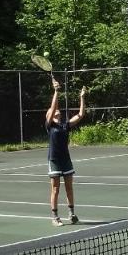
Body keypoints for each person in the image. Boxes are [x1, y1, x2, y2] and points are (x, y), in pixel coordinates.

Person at [45, 80, 86, 226]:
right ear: (49, 115)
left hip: (66, 160)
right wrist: (56, 91)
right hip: (54, 160)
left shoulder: (65, 125)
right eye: (53, 110)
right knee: (55, 189)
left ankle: (72, 213)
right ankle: (55, 217)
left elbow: (81, 115)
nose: (57, 110)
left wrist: (82, 97)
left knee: (69, 187)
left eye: (57, 110)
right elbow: (53, 106)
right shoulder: (50, 125)